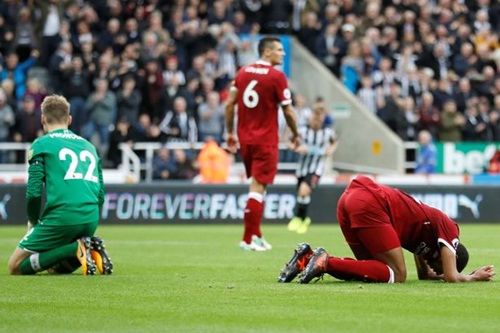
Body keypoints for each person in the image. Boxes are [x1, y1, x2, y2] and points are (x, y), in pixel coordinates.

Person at [278, 175, 495, 284]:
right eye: (439, 265)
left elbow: (423, 275)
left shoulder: (426, 242)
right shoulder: (450, 228)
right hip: (372, 202)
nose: (435, 268)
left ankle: (307, 259)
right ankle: (325, 261)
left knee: (371, 270)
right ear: (451, 254)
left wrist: (432, 274)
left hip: (349, 199)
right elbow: (451, 276)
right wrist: (472, 277)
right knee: (398, 274)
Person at [7, 95, 113, 276]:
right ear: (69, 120)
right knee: (53, 269)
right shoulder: (89, 146)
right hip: (90, 219)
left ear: (42, 119)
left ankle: (74, 249)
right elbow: (100, 194)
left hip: (61, 217)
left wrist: (33, 221)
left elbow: (33, 192)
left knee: (15, 266)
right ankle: (87, 247)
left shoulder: (41, 144)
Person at [225, 36, 300, 251]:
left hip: (246, 139)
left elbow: (230, 104)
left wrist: (230, 132)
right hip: (265, 140)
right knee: (257, 189)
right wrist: (296, 134)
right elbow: (288, 110)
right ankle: (248, 239)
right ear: (266, 52)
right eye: (279, 50)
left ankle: (257, 235)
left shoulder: (242, 72)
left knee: (259, 187)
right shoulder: (277, 76)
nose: (283, 53)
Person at [287, 105, 337, 234]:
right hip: (302, 168)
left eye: (318, 120)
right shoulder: (302, 131)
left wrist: (330, 150)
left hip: (317, 168)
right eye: (314, 119)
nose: (315, 122)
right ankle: (304, 219)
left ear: (322, 120)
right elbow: (289, 142)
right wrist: (296, 148)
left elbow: (335, 142)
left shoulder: (327, 133)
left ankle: (298, 218)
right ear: (310, 118)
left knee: (304, 190)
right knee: (301, 193)